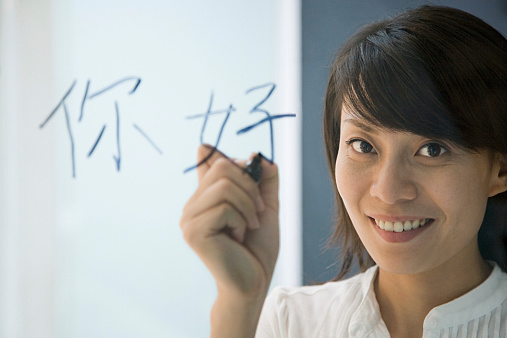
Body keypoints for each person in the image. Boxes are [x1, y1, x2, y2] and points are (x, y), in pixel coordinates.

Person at [180, 5, 507, 337]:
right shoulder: (290, 322)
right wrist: (239, 302)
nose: (388, 191)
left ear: (500, 169)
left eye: (432, 150)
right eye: (363, 146)